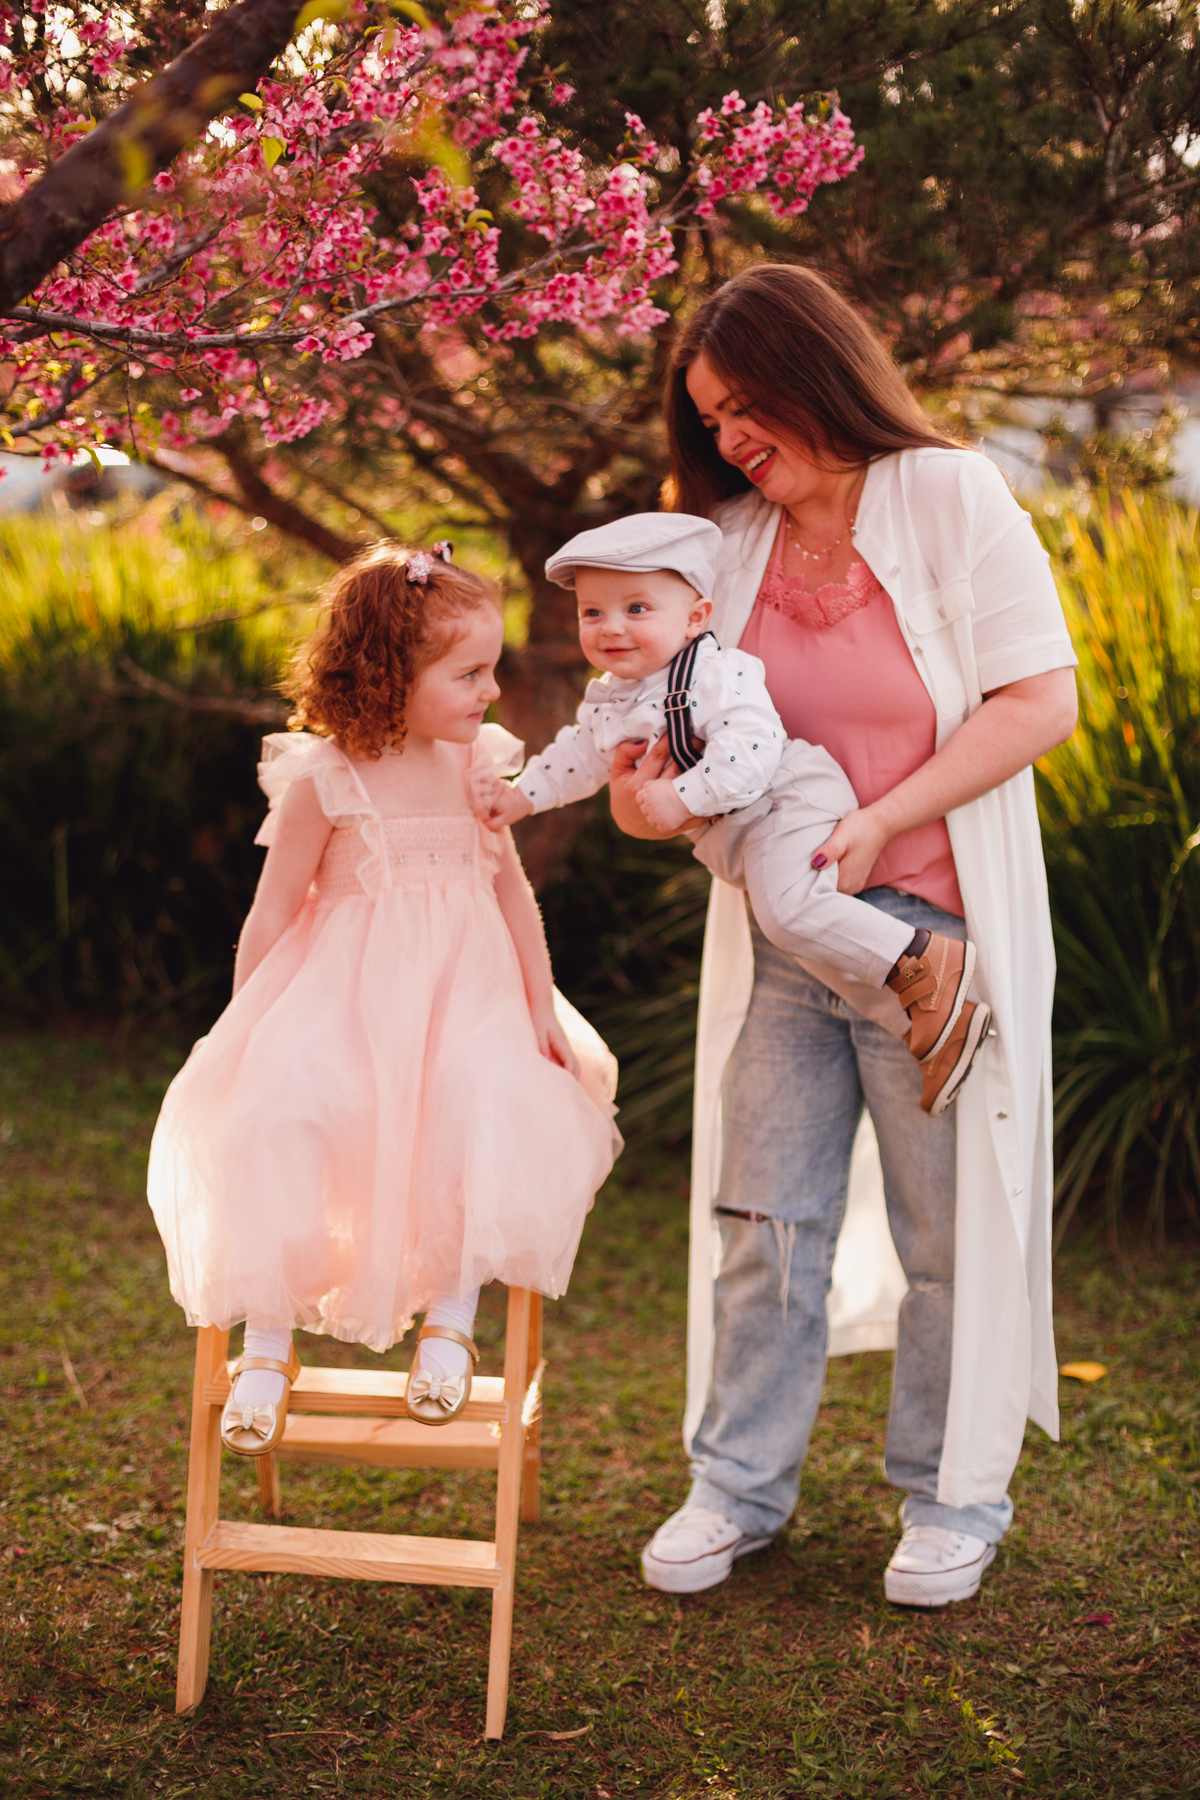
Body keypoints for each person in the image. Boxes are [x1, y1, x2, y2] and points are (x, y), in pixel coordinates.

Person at [610, 264, 1078, 1605]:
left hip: (935, 940)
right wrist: (651, 798)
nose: (733, 439)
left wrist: (882, 821)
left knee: (946, 1241)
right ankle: (738, 1489)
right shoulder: (729, 540)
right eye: (712, 421)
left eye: (748, 405)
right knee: (765, 1220)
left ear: (817, 371)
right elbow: (690, 725)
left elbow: (1041, 700)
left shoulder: (948, 493)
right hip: (793, 950)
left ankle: (949, 1497)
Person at [148, 542, 619, 1453]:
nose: (491, 693)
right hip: (342, 999)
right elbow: (273, 912)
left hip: (469, 995)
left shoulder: (476, 763)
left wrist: (537, 1008)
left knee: (480, 1105)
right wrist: (245, 1027)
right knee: (288, 1111)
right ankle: (267, 1340)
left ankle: (450, 1319)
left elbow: (511, 892)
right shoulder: (323, 782)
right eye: (470, 673)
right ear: (387, 676)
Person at [471, 512, 990, 1116]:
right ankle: (929, 1022)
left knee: (790, 913)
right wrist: (523, 795)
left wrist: (681, 798)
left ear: (695, 618)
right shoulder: (612, 696)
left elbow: (754, 750)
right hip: (748, 826)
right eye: (593, 612)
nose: (611, 627)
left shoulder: (717, 673)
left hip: (788, 796)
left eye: (637, 608)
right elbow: (578, 756)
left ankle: (926, 960)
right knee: (809, 942)